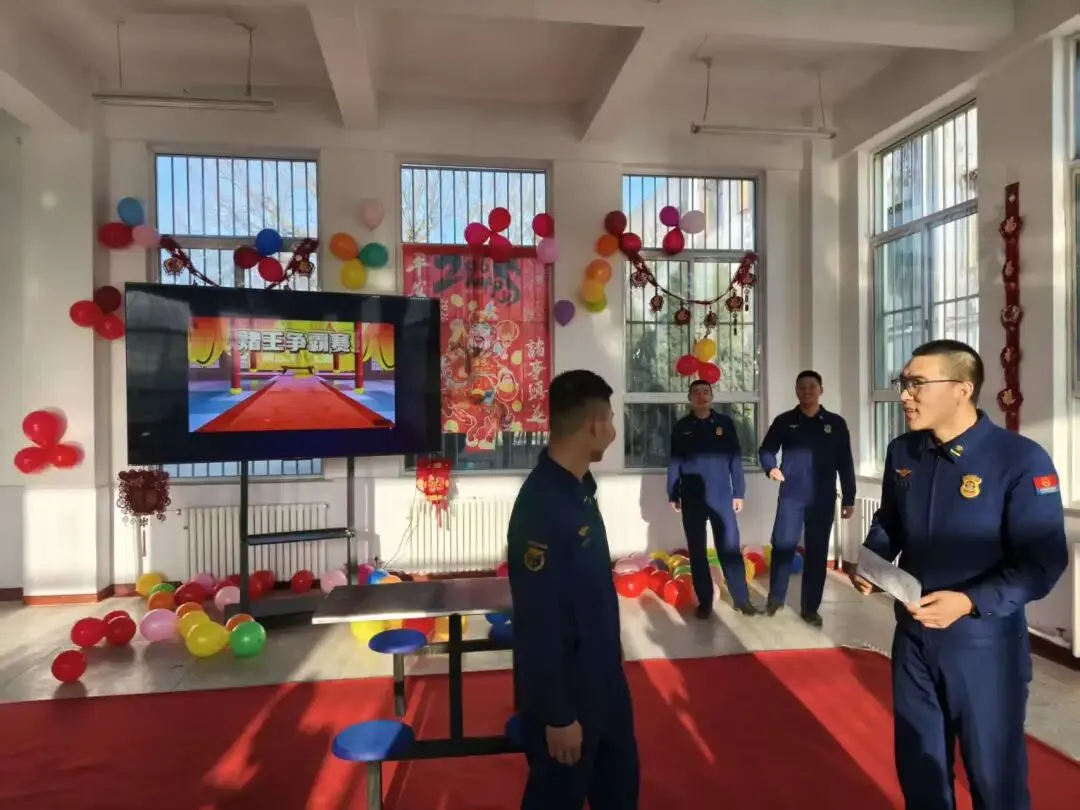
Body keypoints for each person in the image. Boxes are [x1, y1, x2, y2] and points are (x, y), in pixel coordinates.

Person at [851, 339, 1068, 810]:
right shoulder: (903, 452)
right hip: (913, 637)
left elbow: (1043, 561)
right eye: (903, 383)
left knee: (994, 778)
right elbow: (890, 520)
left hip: (984, 643)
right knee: (920, 768)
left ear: (962, 389)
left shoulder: (1019, 459)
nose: (904, 394)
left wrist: (969, 602)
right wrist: (873, 561)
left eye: (916, 383)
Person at [508, 369, 639, 810]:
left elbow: (590, 589)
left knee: (619, 788)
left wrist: (611, 649)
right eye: (611, 420)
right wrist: (558, 714)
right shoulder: (541, 506)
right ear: (594, 425)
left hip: (605, 679)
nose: (613, 432)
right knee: (557, 796)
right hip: (568, 694)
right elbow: (537, 620)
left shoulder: (580, 488)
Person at [759, 370, 855, 626]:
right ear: (796, 391)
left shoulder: (835, 423)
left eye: (812, 387)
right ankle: (775, 600)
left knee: (817, 553)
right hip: (792, 496)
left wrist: (849, 497)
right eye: (801, 387)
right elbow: (766, 450)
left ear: (821, 390)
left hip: (822, 498)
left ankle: (810, 609)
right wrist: (771, 467)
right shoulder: (784, 421)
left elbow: (845, 462)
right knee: (782, 547)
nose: (807, 391)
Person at [667, 379, 756, 618]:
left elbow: (735, 459)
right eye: (696, 392)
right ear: (690, 398)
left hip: (721, 496)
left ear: (712, 396)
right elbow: (674, 462)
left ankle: (742, 599)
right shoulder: (682, 427)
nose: (701, 395)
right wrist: (673, 492)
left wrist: (739, 492)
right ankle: (705, 602)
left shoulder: (725, 424)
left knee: (729, 548)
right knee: (697, 551)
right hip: (691, 496)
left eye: (705, 391)